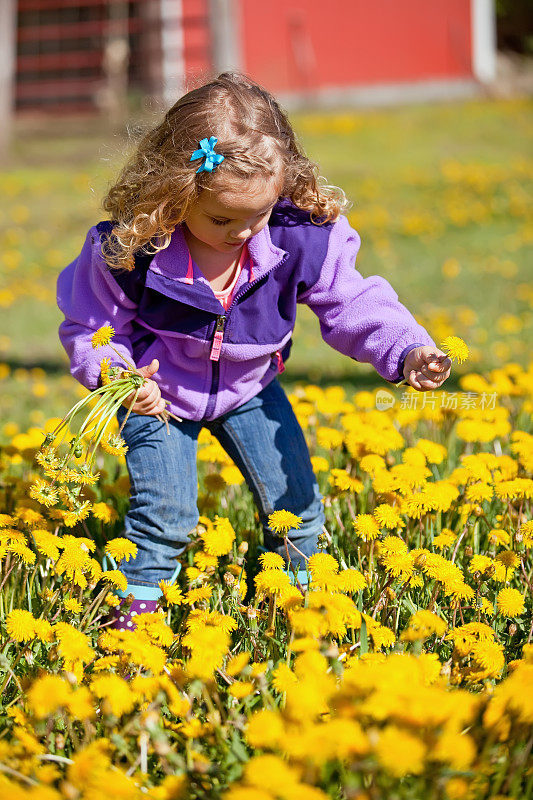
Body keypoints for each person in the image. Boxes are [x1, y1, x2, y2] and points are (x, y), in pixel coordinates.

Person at [57, 72, 451, 627]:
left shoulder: (302, 237)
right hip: (157, 395)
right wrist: (120, 379)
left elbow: (351, 301)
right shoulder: (133, 249)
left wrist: (406, 350)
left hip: (250, 389)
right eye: (221, 218)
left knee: (298, 507)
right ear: (176, 194)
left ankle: (297, 612)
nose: (243, 232)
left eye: (259, 214)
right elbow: (91, 326)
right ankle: (135, 628)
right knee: (164, 516)